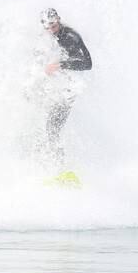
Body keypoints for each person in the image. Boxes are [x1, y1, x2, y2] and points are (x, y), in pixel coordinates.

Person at [39, 8, 92, 163]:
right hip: (57, 85)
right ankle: (45, 159)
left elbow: (87, 63)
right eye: (47, 28)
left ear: (58, 20)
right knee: (44, 122)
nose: (51, 31)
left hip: (69, 88)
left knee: (52, 126)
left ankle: (59, 167)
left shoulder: (70, 37)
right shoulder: (48, 36)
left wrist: (60, 64)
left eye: (54, 26)